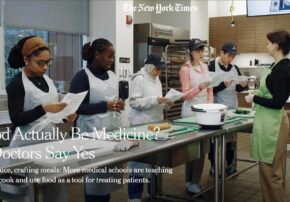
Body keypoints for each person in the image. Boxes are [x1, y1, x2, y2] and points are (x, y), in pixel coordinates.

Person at [6, 36, 77, 202]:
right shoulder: (16, 84)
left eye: (48, 62)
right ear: (26, 60)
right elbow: (16, 119)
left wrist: (65, 117)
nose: (45, 67)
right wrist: (43, 108)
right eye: (40, 63)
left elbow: (51, 114)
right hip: (24, 148)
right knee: (26, 195)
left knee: (55, 190)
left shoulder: (48, 81)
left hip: (48, 144)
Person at [69, 38, 125, 202]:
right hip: (91, 136)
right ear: (97, 55)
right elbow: (76, 108)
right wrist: (105, 106)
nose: (112, 60)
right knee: (95, 180)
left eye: (113, 57)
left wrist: (118, 104)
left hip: (112, 132)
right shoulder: (82, 77)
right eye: (110, 56)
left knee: (107, 180)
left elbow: (115, 99)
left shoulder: (113, 76)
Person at [245, 29, 290, 202]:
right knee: (268, 169)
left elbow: (277, 102)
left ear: (276, 45)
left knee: (271, 172)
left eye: (268, 43)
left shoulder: (282, 69)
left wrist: (254, 98)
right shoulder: (275, 66)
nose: (266, 46)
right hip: (268, 122)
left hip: (274, 125)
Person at [127, 54, 172, 202]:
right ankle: (134, 197)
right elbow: (133, 103)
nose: (159, 72)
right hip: (140, 125)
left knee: (156, 160)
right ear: (149, 66)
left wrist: (166, 103)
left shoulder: (156, 78)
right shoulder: (139, 78)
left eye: (160, 70)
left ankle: (153, 192)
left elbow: (155, 100)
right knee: (139, 162)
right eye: (157, 69)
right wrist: (154, 100)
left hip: (156, 124)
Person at [207, 42, 248, 176]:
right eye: (229, 55)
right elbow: (210, 88)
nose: (231, 59)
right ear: (222, 53)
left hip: (232, 108)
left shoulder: (235, 68)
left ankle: (229, 164)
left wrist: (243, 85)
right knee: (215, 140)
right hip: (216, 109)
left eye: (233, 56)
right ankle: (213, 165)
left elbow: (237, 88)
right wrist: (223, 84)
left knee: (230, 139)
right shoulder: (212, 66)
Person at [179, 38, 213, 194]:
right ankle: (188, 181)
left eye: (202, 50)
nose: (201, 53)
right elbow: (185, 95)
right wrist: (199, 87)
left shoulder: (205, 67)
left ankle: (194, 181)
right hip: (190, 112)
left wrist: (211, 105)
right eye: (198, 50)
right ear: (191, 52)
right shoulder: (184, 70)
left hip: (205, 111)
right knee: (191, 149)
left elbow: (210, 89)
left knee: (201, 149)